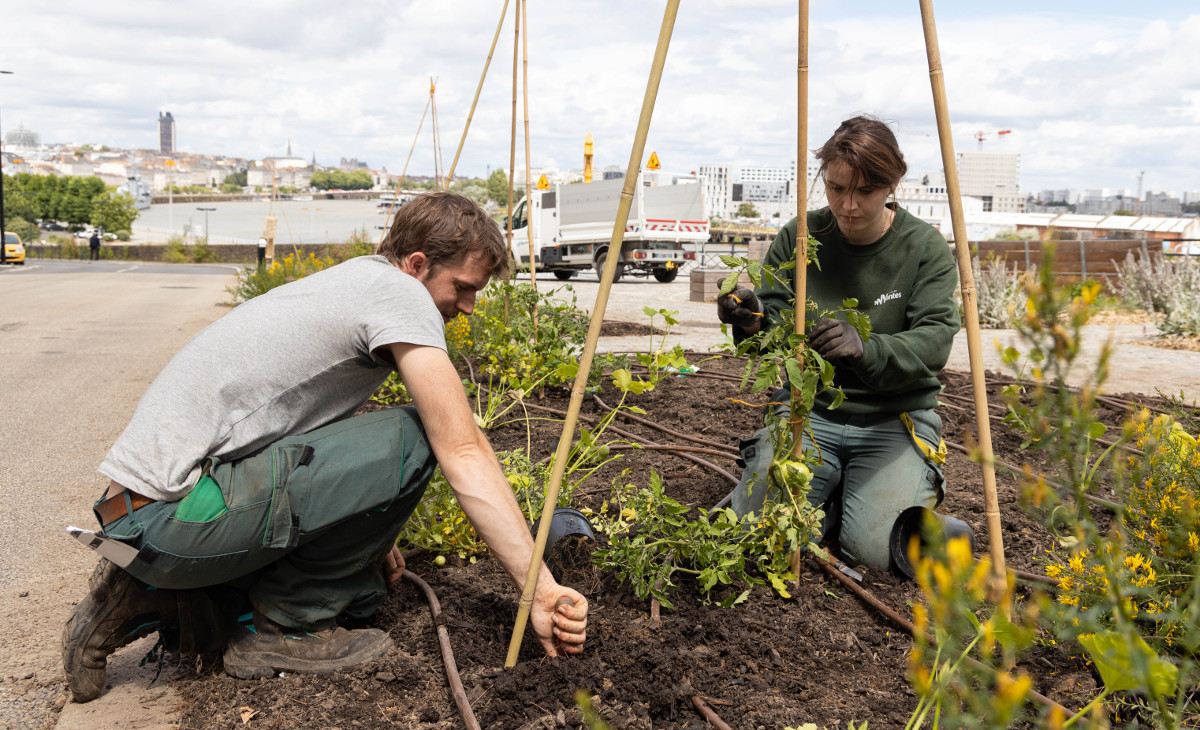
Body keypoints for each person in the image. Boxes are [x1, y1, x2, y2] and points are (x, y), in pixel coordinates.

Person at [62, 192, 589, 703]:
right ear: (418, 263)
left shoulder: (355, 281)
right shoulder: (400, 296)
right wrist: (538, 591)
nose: (469, 306)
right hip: (169, 522)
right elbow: (463, 448)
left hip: (133, 520)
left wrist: (367, 535)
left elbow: (290, 439)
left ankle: (154, 598)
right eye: (463, 287)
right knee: (416, 434)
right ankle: (281, 630)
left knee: (363, 594)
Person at [717, 115, 960, 573]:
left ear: (891, 185)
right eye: (835, 189)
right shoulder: (801, 236)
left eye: (864, 192)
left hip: (892, 419)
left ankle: (864, 503)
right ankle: (827, 502)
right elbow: (770, 335)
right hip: (809, 414)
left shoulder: (923, 247)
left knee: (881, 555)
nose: (847, 206)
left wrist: (868, 349)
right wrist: (749, 320)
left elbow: (934, 342)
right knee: (760, 539)